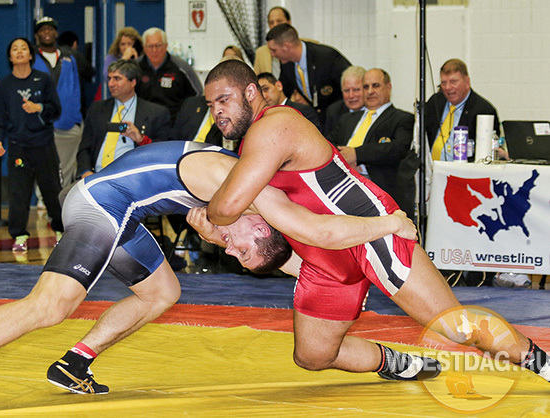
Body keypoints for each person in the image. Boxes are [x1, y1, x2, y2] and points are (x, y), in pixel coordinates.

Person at [203, 59, 550, 384]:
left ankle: (544, 364)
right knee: (312, 355)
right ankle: (396, 362)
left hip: (370, 232)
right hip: (326, 250)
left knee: (455, 326)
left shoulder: (274, 126)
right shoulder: (253, 141)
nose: (217, 112)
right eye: (210, 105)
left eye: (224, 100)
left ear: (251, 92)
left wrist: (194, 184)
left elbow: (227, 207)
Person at [0, 140, 416, 394]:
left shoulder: (239, 196)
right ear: (259, 224)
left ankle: (75, 362)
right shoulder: (235, 188)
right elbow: (317, 233)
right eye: (241, 250)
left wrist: (335, 282)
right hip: (101, 204)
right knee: (51, 305)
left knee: (162, 293)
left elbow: (285, 255)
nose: (229, 251)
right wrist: (390, 223)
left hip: (122, 209)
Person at [0, 38, 63, 251]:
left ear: (31, 55)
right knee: (18, 193)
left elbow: (56, 110)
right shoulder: (3, 86)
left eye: (24, 48)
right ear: (10, 57)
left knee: (52, 191)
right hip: (18, 146)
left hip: (43, 145)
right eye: (15, 49)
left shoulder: (43, 80)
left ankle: (61, 230)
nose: (19, 51)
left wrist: (39, 107)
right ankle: (19, 236)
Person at [326, 68, 415, 218]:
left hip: (376, 186)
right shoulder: (348, 119)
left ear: (388, 87)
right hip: (342, 181)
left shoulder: (402, 118)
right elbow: (328, 144)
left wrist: (356, 155)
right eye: (366, 87)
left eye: (376, 86)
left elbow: (395, 150)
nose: (370, 91)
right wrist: (344, 160)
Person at [76, 59, 171, 179]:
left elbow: (163, 153)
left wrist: (141, 139)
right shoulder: (97, 109)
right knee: (64, 195)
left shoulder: (156, 113)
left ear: (133, 82)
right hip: (96, 175)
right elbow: (84, 147)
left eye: (117, 79)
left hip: (130, 177)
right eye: (109, 78)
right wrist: (86, 172)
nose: (111, 84)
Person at [265, 23, 351, 125]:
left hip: (338, 119)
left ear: (287, 47)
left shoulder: (326, 57)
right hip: (314, 119)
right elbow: (284, 91)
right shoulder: (286, 64)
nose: (272, 55)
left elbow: (351, 83)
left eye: (274, 50)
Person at [33, 16, 83, 188]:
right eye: (42, 30)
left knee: (67, 166)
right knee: (42, 165)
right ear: (36, 35)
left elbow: (76, 88)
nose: (47, 32)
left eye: (50, 29)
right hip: (41, 124)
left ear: (56, 33)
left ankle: (62, 200)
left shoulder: (69, 58)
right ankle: (43, 200)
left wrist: (76, 119)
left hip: (68, 124)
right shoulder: (31, 59)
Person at [425, 58, 500, 162]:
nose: (447, 87)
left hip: (462, 173)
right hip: (430, 171)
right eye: (443, 83)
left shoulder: (483, 110)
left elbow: (485, 155)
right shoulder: (435, 102)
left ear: (467, 82)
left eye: (453, 82)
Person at [136, 27, 202, 126]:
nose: (154, 50)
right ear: (144, 48)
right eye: (150, 46)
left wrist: (186, 119)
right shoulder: (135, 67)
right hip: (143, 126)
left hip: (174, 126)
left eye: (158, 45)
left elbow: (198, 93)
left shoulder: (181, 68)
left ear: (166, 46)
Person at [257, 72, 321, 131]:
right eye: (260, 93)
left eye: (266, 89)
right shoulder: (264, 119)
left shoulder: (303, 111)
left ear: (279, 85)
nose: (264, 96)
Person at [57, 30, 96, 118]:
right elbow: (90, 73)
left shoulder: (53, 54)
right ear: (75, 43)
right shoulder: (76, 55)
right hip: (74, 103)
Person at [323, 65, 366, 137]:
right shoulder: (334, 111)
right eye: (346, 90)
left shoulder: (374, 111)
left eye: (356, 90)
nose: (351, 95)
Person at [253, 6, 292, 77]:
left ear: (289, 22)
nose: (275, 25)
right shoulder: (261, 52)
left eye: (279, 21)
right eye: (271, 23)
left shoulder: (301, 47)